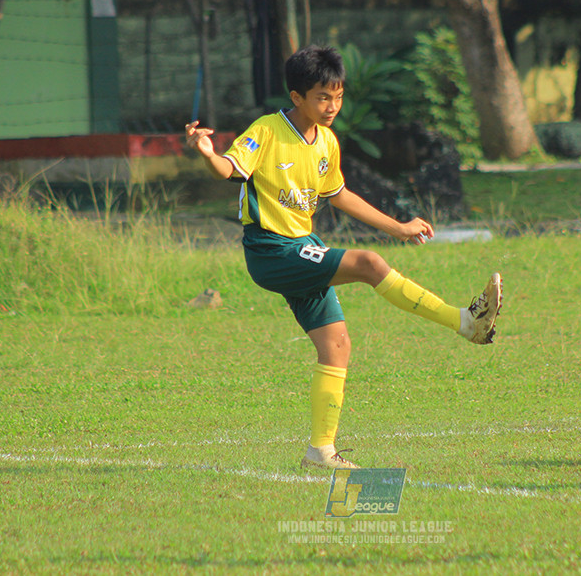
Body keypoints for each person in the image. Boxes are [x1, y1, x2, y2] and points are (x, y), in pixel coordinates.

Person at [186, 45, 502, 470]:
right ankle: (465, 322)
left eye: (337, 96)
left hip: (302, 245)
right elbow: (229, 169)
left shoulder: (327, 142)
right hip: (271, 249)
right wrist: (207, 153)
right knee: (369, 263)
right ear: (297, 97)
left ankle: (320, 451)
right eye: (322, 97)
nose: (332, 106)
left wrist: (399, 227)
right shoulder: (267, 130)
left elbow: (340, 195)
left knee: (336, 345)